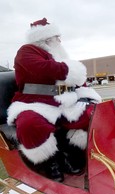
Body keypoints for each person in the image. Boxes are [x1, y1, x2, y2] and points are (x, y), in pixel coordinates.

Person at [7, 18, 102, 182]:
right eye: (57, 36)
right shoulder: (27, 51)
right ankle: (51, 161)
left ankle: (71, 151)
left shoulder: (59, 54)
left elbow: (78, 82)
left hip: (64, 101)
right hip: (34, 103)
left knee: (93, 115)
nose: (60, 40)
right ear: (46, 37)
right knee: (30, 124)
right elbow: (43, 69)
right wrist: (71, 70)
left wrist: (85, 93)